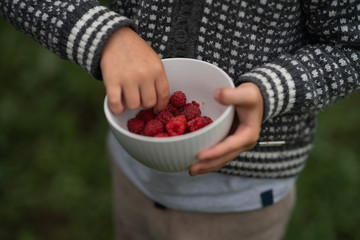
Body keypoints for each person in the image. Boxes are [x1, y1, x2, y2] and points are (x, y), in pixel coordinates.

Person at [1, 0, 359, 239]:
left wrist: (272, 89)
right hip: (133, 174)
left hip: (244, 204)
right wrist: (103, 35)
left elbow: (350, 45)